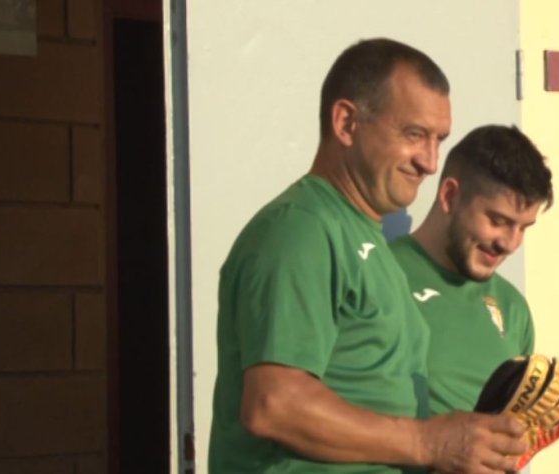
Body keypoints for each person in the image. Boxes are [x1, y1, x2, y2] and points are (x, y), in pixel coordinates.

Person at [207, 38, 526, 474]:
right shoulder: (301, 229)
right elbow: (274, 404)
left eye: (439, 140)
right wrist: (431, 442)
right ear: (346, 123)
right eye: (414, 134)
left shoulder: (367, 241)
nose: (431, 162)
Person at [390, 124, 553, 415]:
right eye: (498, 221)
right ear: (450, 196)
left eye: (523, 228)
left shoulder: (513, 308)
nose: (510, 243)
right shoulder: (379, 274)